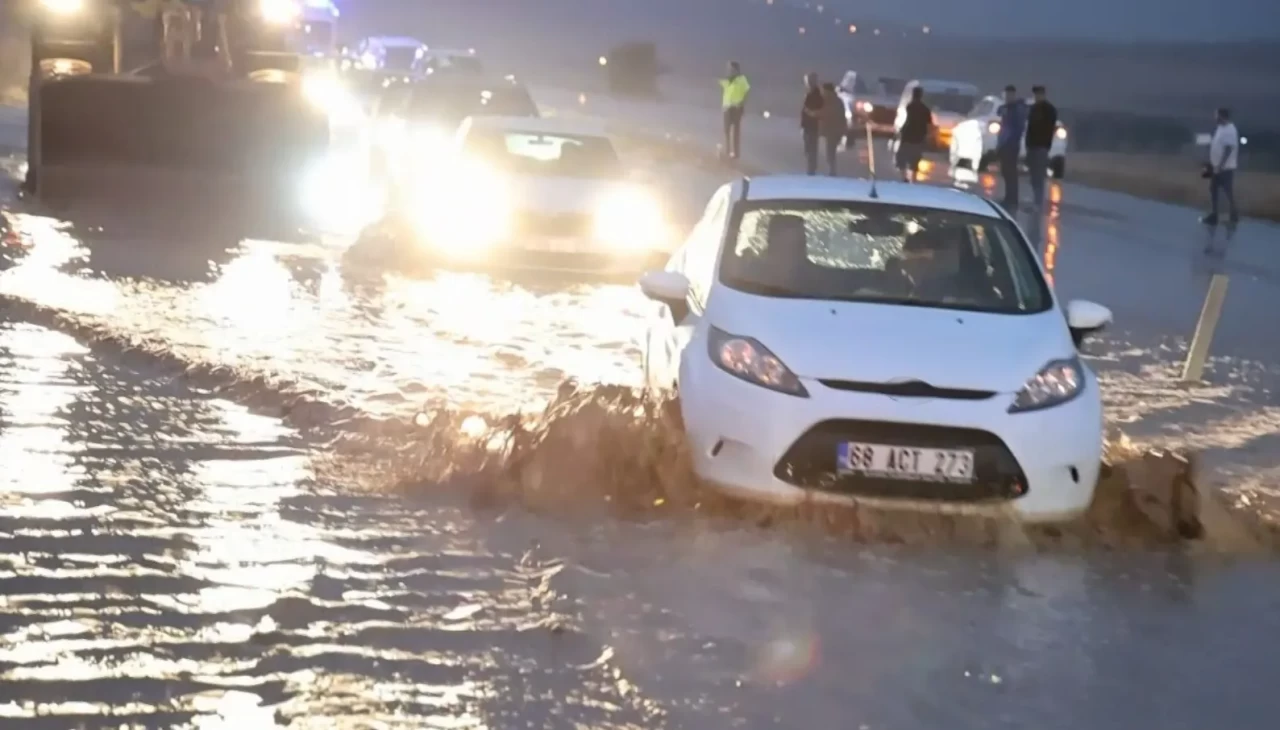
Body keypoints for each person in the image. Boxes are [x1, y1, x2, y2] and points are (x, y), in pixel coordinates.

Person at [1202, 107, 1240, 225]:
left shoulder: (1230, 130)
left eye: (1217, 115)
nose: (1215, 118)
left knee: (1225, 191)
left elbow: (1229, 149)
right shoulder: (1220, 128)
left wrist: (1220, 166)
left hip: (1225, 168)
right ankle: (1217, 215)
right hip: (1217, 166)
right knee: (1214, 189)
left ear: (1222, 116)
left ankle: (1231, 215)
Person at [1024, 85, 1058, 208]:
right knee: (1033, 176)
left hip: (1041, 146)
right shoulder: (1033, 109)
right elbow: (1029, 128)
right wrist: (1027, 145)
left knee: (1039, 175)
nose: (1037, 97)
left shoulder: (1049, 110)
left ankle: (1038, 202)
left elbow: (1049, 129)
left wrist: (1046, 144)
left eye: (1039, 94)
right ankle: (1035, 199)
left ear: (1043, 95)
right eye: (1036, 95)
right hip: (1032, 146)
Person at [995, 85, 1028, 210]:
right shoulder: (1007, 108)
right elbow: (999, 112)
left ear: (1013, 95)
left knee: (1010, 172)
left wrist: (1009, 140)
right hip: (1005, 143)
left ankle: (1012, 198)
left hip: (1011, 144)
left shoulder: (1017, 109)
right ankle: (1009, 197)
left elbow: (1017, 128)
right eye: (1006, 95)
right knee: (1006, 172)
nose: (1008, 97)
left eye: (1010, 95)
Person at [896, 86, 931, 182]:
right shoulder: (925, 109)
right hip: (919, 137)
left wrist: (900, 132)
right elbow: (928, 124)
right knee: (914, 159)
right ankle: (913, 179)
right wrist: (927, 137)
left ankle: (904, 177)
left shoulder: (910, 106)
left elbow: (908, 121)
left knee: (902, 157)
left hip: (908, 135)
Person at [719, 62, 750, 160]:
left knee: (736, 131)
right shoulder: (727, 80)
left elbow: (746, 92)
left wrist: (742, 104)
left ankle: (735, 153)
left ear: (736, 70)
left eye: (731, 69)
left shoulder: (742, 80)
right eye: (729, 69)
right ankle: (727, 151)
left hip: (736, 108)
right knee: (726, 130)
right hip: (727, 107)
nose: (729, 70)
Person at [819, 82, 845, 175]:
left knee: (829, 151)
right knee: (830, 151)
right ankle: (830, 169)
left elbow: (827, 114)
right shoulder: (837, 101)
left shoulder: (828, 101)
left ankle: (831, 170)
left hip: (831, 130)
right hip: (832, 130)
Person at [801, 72, 823, 175]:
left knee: (811, 149)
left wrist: (809, 112)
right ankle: (810, 169)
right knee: (808, 149)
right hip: (808, 126)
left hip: (812, 126)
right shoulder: (810, 94)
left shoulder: (816, 95)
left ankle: (811, 170)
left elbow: (819, 111)